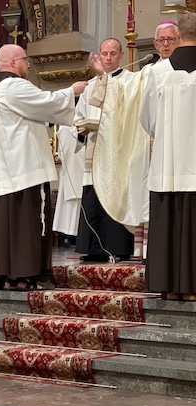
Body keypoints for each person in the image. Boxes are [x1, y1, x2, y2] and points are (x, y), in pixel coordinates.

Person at [0, 44, 86, 290]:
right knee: (25, 223)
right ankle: (23, 277)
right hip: (23, 167)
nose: (28, 65)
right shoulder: (14, 86)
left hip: (5, 170)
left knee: (4, 225)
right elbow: (47, 103)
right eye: (25, 60)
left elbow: (32, 115)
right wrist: (73, 90)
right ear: (13, 62)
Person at [89, 21, 181, 259]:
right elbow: (123, 93)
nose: (165, 44)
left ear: (179, 40)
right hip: (148, 142)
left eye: (170, 39)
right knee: (142, 188)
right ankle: (144, 248)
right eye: (161, 40)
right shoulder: (149, 72)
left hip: (179, 143)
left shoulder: (185, 68)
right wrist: (104, 77)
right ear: (154, 43)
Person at [140, 12, 196, 300]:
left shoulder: (157, 72)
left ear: (179, 36)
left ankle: (170, 287)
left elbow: (147, 120)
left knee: (169, 223)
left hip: (167, 165)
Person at [74, 38, 135, 262]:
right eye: (104, 54)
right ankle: (93, 248)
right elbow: (79, 115)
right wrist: (80, 129)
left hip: (117, 151)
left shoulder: (130, 81)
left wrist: (102, 77)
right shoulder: (90, 86)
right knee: (93, 195)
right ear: (98, 56)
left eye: (112, 53)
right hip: (95, 147)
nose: (108, 58)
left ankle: (117, 247)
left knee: (114, 194)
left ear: (120, 55)